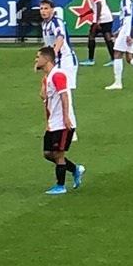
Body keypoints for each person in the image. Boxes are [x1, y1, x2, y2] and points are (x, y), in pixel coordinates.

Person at [35, 46, 84, 195]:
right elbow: (43, 96)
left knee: (58, 154)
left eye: (38, 57)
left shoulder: (58, 75)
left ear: (46, 59)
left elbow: (65, 96)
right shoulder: (48, 77)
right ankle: (75, 169)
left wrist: (66, 118)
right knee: (48, 154)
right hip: (52, 123)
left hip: (62, 122)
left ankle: (61, 186)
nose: (36, 60)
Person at [39, 0, 77, 90]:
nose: (43, 11)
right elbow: (48, 44)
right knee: (52, 90)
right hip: (55, 61)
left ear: (52, 10)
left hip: (65, 60)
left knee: (65, 91)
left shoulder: (56, 22)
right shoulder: (44, 24)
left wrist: (53, 53)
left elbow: (60, 38)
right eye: (41, 8)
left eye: (46, 8)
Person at [82, 0, 114, 66]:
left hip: (101, 18)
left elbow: (98, 5)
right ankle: (114, 59)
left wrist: (97, 20)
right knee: (107, 37)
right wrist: (85, 14)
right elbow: (95, 7)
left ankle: (90, 60)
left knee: (92, 36)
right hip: (107, 17)